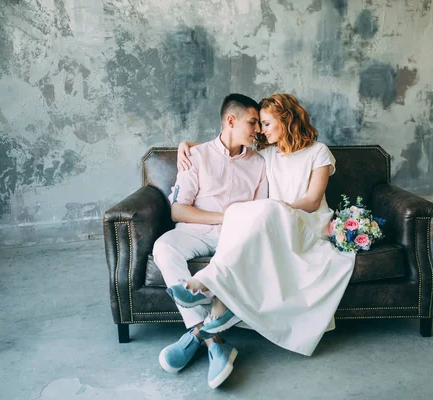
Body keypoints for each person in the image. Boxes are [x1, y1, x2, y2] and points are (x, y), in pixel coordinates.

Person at [169, 93, 356, 357]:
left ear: (286, 120)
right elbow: (225, 143)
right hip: (277, 223)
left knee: (263, 209)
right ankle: (212, 321)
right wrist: (184, 144)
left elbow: (313, 201)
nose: (260, 130)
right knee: (242, 221)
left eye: (266, 124)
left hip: (309, 223)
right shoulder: (267, 154)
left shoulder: (319, 152)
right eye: (259, 124)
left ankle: (205, 286)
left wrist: (277, 209)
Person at [152, 93, 268, 389]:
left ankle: (198, 337)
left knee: (239, 257)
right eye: (252, 122)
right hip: (196, 230)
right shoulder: (196, 155)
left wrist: (235, 224)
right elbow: (178, 209)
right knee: (164, 246)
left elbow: (260, 210)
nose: (257, 129)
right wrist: (224, 217)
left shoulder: (259, 162)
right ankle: (213, 340)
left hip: (237, 237)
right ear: (231, 120)